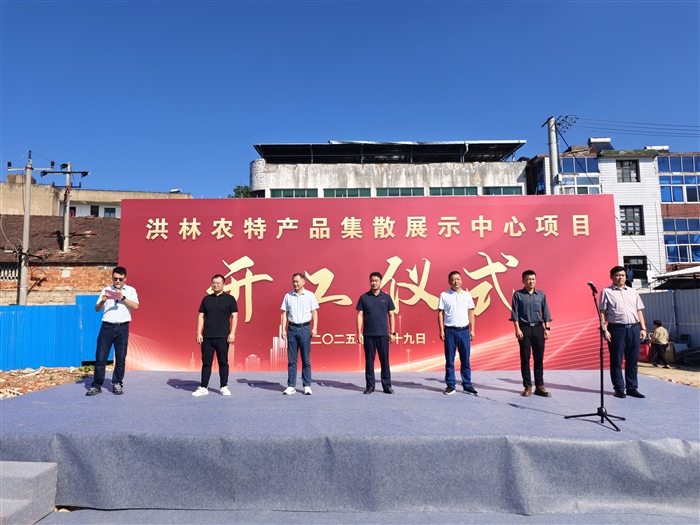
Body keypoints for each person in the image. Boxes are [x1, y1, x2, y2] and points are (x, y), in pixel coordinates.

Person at [86, 266, 139, 396]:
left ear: (125, 278)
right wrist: (102, 301)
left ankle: (117, 383)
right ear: (112, 278)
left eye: (120, 279)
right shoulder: (106, 290)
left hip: (122, 327)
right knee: (101, 357)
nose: (117, 281)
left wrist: (123, 297)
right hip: (107, 327)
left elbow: (136, 306)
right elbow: (97, 308)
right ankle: (97, 385)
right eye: (115, 278)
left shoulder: (131, 290)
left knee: (120, 357)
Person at [599, 265, 647, 399]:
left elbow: (639, 311)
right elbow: (602, 312)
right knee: (616, 360)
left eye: (623, 275)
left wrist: (643, 328)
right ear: (611, 277)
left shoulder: (633, 292)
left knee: (632, 360)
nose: (620, 277)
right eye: (617, 275)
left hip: (634, 328)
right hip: (616, 329)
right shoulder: (606, 292)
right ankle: (619, 388)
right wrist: (604, 329)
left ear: (626, 277)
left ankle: (632, 388)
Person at [192, 274, 238, 397]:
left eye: (218, 283)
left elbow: (235, 316)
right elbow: (201, 316)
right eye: (214, 283)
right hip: (207, 336)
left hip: (223, 336)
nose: (215, 285)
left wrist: (232, 332)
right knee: (206, 363)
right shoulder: (206, 299)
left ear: (223, 284)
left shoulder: (230, 299)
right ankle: (203, 387)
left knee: (223, 362)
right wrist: (199, 333)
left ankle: (224, 386)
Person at [510, 270, 552, 397]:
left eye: (533, 279)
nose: (531, 281)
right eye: (528, 279)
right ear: (523, 281)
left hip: (539, 328)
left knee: (539, 358)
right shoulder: (518, 295)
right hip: (524, 329)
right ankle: (527, 386)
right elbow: (515, 313)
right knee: (525, 358)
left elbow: (546, 312)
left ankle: (539, 386)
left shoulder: (541, 295)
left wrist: (547, 328)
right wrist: (517, 329)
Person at [356, 272, 397, 394]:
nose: (374, 283)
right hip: (368, 334)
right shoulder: (364, 297)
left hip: (383, 334)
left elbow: (391, 315)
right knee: (369, 361)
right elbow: (360, 315)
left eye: (376, 281)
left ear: (380, 282)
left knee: (385, 361)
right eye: (372, 281)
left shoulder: (387, 297)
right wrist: (359, 333)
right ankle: (370, 386)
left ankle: (387, 386)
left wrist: (393, 332)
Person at [437, 271, 477, 395]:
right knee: (450, 360)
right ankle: (450, 385)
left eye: (458, 279)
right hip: (450, 331)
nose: (456, 281)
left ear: (461, 280)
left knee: (465, 359)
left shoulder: (467, 295)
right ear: (449, 281)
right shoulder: (444, 295)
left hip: (464, 330)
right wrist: (441, 330)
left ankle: (467, 384)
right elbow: (440, 314)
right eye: (453, 279)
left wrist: (472, 329)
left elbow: (471, 313)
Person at [280, 273, 319, 395]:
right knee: (292, 360)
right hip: (292, 329)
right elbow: (284, 313)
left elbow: (314, 312)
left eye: (297, 281)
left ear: (303, 282)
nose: (295, 284)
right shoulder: (288, 296)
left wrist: (315, 328)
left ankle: (307, 385)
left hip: (305, 328)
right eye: (293, 281)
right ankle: (291, 386)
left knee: (305, 359)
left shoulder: (310, 295)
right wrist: (283, 329)